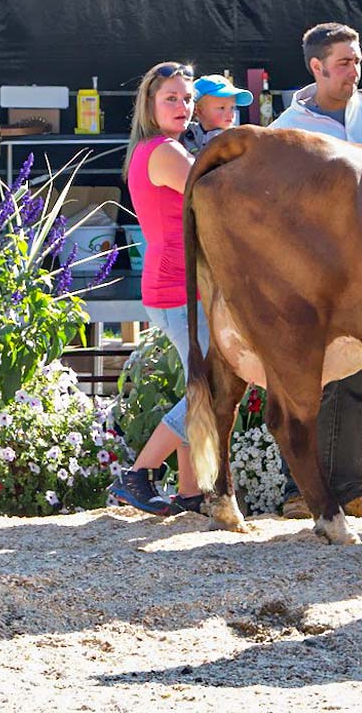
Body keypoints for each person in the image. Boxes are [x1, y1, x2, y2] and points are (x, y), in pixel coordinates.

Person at [270, 22, 362, 521]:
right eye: (344, 62)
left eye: (358, 60)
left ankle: (353, 489)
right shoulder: (284, 132)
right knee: (308, 381)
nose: (355, 71)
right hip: (311, 274)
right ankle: (302, 491)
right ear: (316, 67)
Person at [108, 61, 211, 515]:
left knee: (199, 382)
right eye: (172, 98)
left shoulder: (156, 148)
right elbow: (214, 197)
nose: (183, 106)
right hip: (178, 287)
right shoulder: (165, 152)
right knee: (208, 388)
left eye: (188, 98)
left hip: (176, 284)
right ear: (149, 104)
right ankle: (139, 474)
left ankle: (189, 491)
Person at [180, 72, 251, 154]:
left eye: (232, 107)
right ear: (199, 111)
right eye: (221, 108)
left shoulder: (234, 138)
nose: (230, 114)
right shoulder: (186, 132)